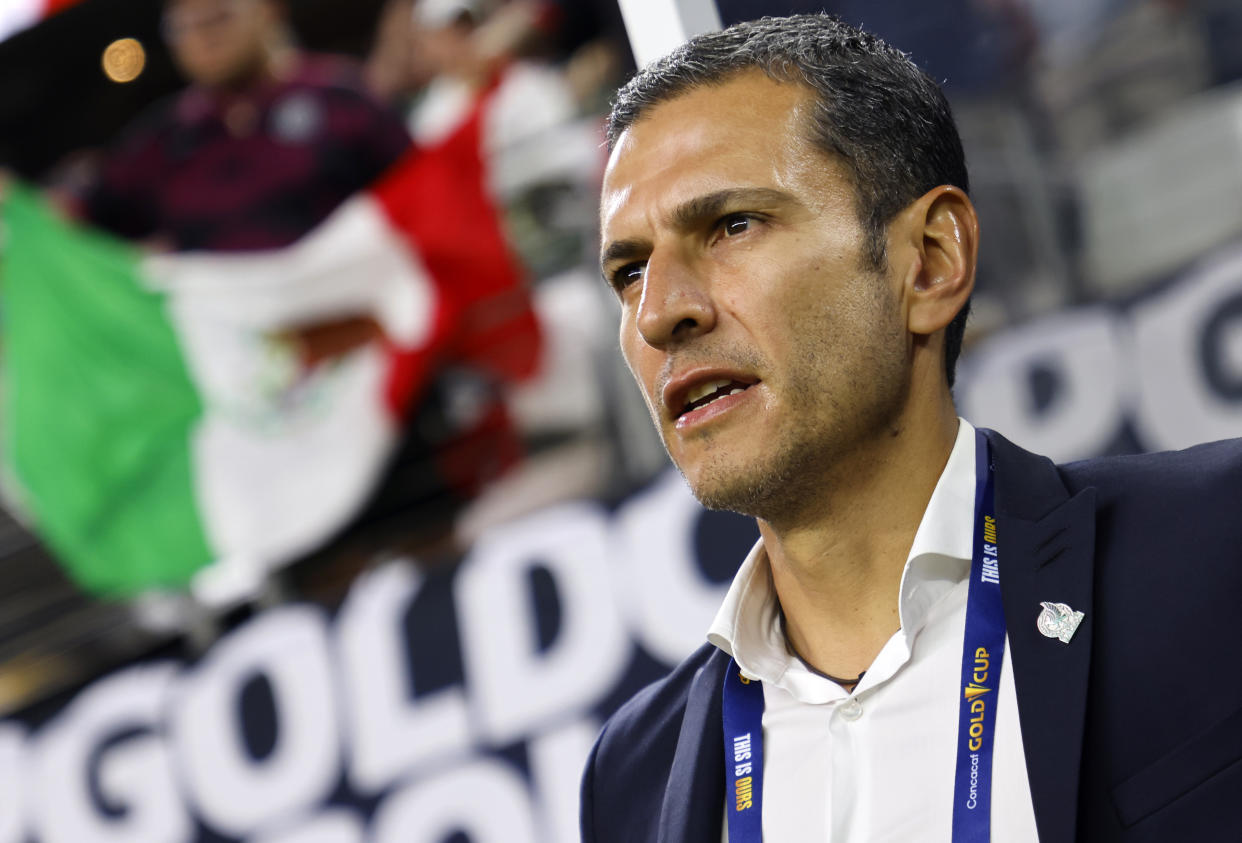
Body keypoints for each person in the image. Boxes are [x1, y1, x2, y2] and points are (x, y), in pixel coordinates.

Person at [581, 14, 1242, 843]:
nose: (659, 313)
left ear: (930, 260)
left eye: (732, 225)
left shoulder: (1217, 546)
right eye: (629, 269)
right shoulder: (631, 776)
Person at [79, 0, 411, 251]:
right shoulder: (162, 139)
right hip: (230, 332)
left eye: (219, 16)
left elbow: (422, 195)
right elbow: (79, 224)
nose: (204, 37)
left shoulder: (342, 98)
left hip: (355, 314)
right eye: (183, 27)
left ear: (268, 10)